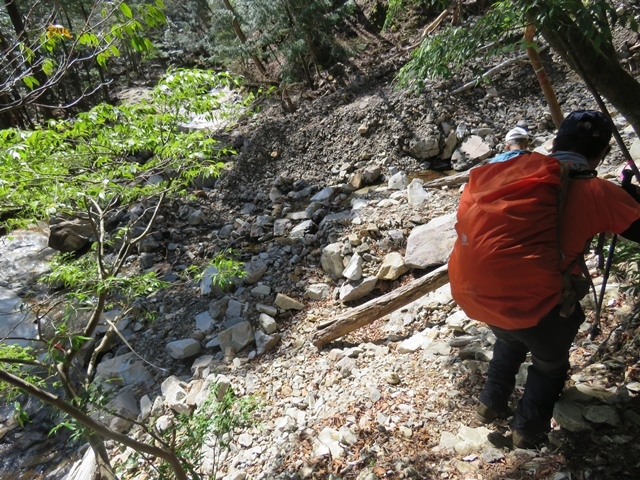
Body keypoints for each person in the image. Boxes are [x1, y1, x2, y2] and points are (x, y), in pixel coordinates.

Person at [449, 110, 640, 449]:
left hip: (476, 298)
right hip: (531, 308)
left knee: (511, 336)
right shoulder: (597, 191)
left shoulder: (520, 180)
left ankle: (488, 405)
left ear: (554, 144)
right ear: (603, 154)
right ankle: (528, 431)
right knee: (550, 363)